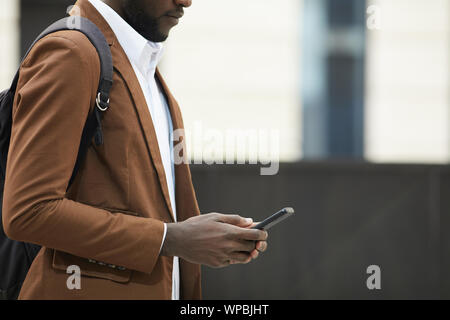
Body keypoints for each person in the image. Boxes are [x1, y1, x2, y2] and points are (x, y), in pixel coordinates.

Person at [2, 0, 268, 300]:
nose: (186, 2)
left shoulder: (147, 72)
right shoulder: (71, 52)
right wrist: (170, 239)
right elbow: (29, 211)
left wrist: (202, 238)